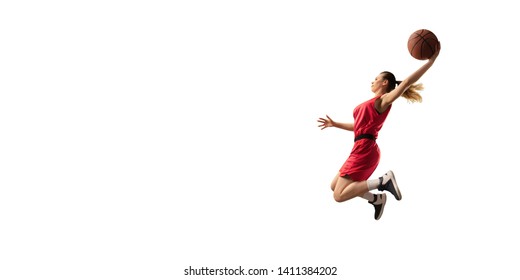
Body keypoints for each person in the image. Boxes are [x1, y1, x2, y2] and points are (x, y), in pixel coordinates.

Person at [317, 42, 441, 220]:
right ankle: (377, 199)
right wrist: (335, 124)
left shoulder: (382, 101)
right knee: (334, 186)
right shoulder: (368, 104)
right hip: (360, 147)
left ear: (385, 82)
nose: (372, 81)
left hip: (366, 149)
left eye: (376, 78)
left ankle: (384, 181)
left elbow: (406, 82)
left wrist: (431, 61)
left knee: (339, 195)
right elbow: (358, 127)